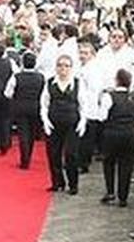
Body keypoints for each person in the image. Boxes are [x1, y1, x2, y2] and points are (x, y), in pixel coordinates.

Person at [39, 54, 85, 194]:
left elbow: (83, 104)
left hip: (72, 123)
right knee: (53, 154)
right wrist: (45, 121)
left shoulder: (78, 83)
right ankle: (57, 183)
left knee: (71, 154)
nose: (63, 68)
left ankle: (73, 184)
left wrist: (83, 121)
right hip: (54, 123)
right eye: (60, 65)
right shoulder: (49, 83)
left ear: (71, 68)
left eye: (66, 65)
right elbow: (44, 104)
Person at [97, 66, 134, 207]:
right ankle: (123, 196)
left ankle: (110, 191)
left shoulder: (109, 96)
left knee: (109, 162)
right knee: (126, 164)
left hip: (112, 133)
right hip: (131, 134)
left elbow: (102, 116)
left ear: (116, 81)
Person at [6, 51, 45, 169]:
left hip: (20, 107)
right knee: (32, 134)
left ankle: (25, 160)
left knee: (23, 134)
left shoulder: (16, 77)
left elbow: (8, 93)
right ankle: (29, 156)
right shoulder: (41, 77)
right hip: (35, 107)